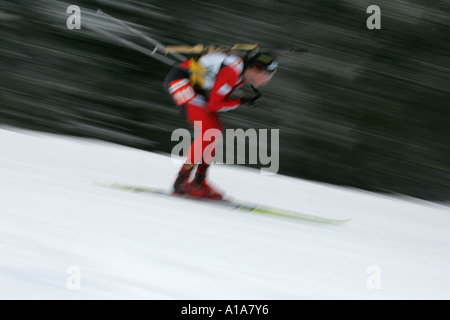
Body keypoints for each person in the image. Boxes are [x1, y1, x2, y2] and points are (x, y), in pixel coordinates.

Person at [164, 49, 277, 200]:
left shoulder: (241, 74)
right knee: (208, 130)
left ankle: (199, 180)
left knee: (215, 130)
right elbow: (215, 104)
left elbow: (220, 96)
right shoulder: (233, 70)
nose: (268, 80)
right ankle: (182, 181)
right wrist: (242, 101)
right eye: (268, 74)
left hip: (193, 85)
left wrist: (243, 99)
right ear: (256, 69)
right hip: (181, 81)